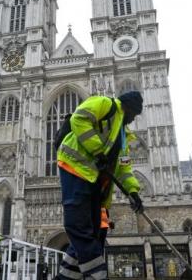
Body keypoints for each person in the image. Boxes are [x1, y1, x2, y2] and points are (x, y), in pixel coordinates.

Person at [56, 91, 144, 280]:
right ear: (129, 108)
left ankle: (65, 277)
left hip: (94, 180)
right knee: (78, 225)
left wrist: (133, 192)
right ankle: (98, 275)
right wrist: (98, 150)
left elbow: (124, 168)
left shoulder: (123, 136)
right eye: (134, 115)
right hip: (74, 167)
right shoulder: (105, 104)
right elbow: (79, 119)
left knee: (93, 231)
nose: (133, 119)